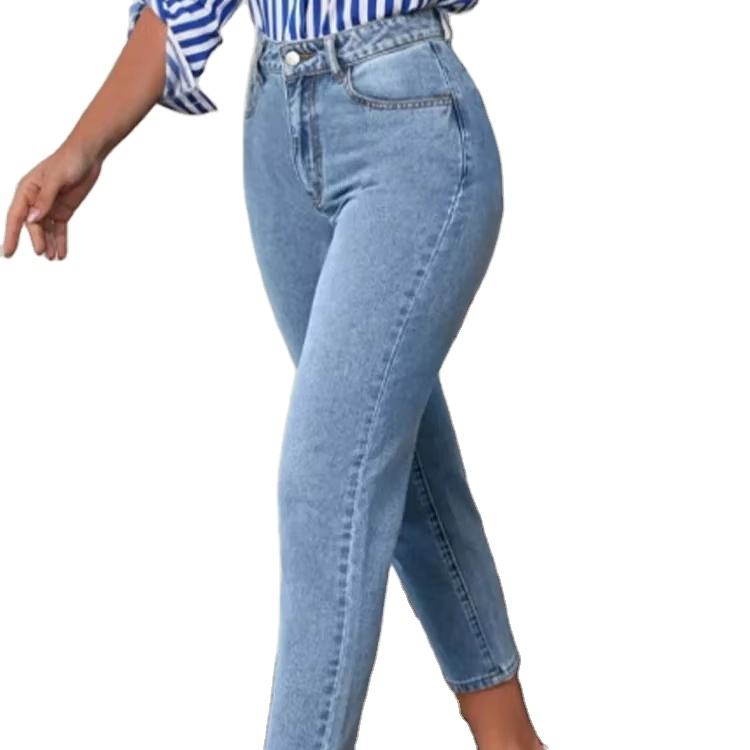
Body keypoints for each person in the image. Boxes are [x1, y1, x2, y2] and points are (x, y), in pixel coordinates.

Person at [2, 2, 547, 748]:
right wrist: (81, 146)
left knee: (327, 478)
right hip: (277, 134)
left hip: (406, 125)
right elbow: (183, 9)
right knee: (402, 463)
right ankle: (510, 739)